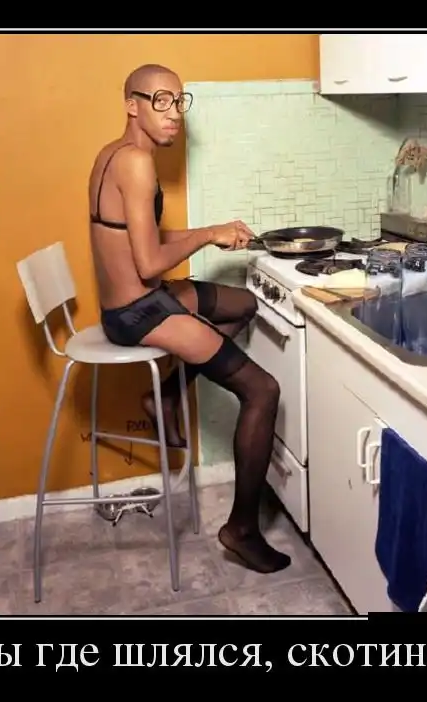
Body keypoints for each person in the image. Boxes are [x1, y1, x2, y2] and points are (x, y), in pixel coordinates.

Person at [88, 63, 290, 574]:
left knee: (243, 304)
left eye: (179, 101)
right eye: (160, 101)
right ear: (132, 105)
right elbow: (149, 263)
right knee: (262, 390)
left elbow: (140, 242)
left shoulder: (112, 154)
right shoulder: (137, 163)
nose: (174, 113)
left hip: (133, 303)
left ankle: (168, 396)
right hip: (137, 313)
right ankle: (241, 530)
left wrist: (214, 229)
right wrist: (205, 237)